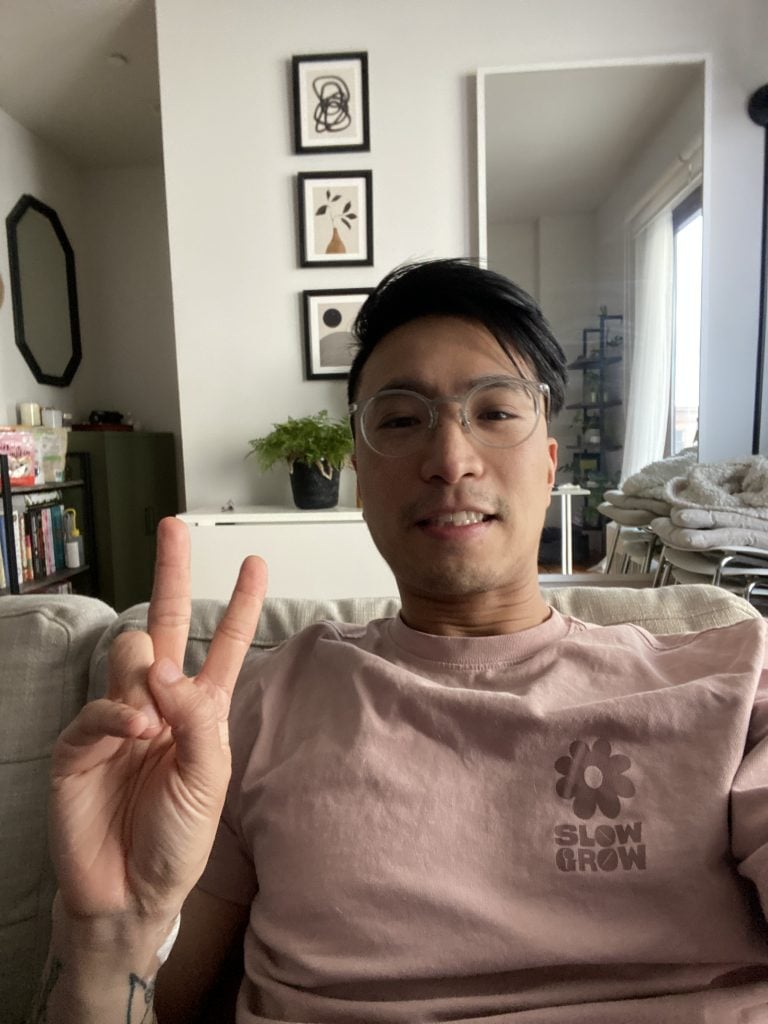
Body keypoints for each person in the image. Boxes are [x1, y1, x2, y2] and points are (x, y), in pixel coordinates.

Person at [39, 259, 768, 1024]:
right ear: (360, 476)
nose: (450, 459)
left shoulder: (732, 683)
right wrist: (110, 933)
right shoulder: (242, 716)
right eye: (399, 420)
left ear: (549, 464)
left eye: (495, 411)